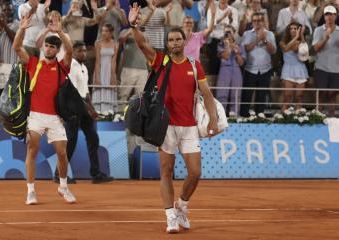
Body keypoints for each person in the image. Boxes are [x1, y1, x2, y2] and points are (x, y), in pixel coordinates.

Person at [128, 3, 218, 234]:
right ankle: (170, 216)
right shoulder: (160, 61)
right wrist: (133, 25)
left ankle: (182, 206)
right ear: (167, 44)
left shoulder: (194, 65)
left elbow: (207, 95)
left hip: (189, 127)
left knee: (195, 173)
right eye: (171, 40)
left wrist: (214, 120)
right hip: (165, 127)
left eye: (178, 40)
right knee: (166, 172)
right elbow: (141, 43)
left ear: (184, 41)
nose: (175, 43)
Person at [12, 12, 76, 205]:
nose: (48, 49)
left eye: (52, 47)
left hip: (55, 117)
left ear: (57, 50)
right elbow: (16, 47)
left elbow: (70, 51)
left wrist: (61, 32)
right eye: (46, 46)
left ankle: (63, 187)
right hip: (35, 116)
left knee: (62, 153)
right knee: (32, 149)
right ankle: (31, 191)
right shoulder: (33, 63)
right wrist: (22, 29)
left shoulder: (63, 67)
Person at [53, 41, 114, 184]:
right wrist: (86, 109)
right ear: (73, 52)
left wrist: (92, 110)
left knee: (93, 138)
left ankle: (96, 174)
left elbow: (86, 93)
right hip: (72, 107)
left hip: (84, 106)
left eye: (85, 50)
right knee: (71, 142)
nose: (84, 53)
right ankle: (58, 174)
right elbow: (72, 91)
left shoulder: (84, 67)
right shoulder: (71, 66)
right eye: (80, 50)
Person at [240, 12, 276, 117]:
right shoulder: (247, 34)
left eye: (259, 21)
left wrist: (264, 40)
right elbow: (245, 49)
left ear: (263, 22)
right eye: (254, 21)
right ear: (252, 22)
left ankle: (259, 116)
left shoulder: (270, 34)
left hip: (265, 69)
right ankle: (243, 117)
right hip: (249, 69)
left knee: (262, 95)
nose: (257, 23)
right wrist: (257, 39)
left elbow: (273, 51)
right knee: (246, 95)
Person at [312, 5, 339, 116]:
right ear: (323, 16)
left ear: (336, 16)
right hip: (321, 68)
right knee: (321, 95)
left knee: (332, 96)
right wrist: (325, 39)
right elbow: (315, 49)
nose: (329, 17)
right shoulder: (318, 30)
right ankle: (317, 119)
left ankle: (331, 121)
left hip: (336, 69)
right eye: (327, 14)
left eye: (331, 14)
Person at [0, 1, 19, 96]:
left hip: (11, 63)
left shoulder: (18, 24)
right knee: (0, 89)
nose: (7, 11)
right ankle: (0, 109)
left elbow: (16, 40)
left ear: (13, 11)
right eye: (4, 10)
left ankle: (10, 110)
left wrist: (5, 26)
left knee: (11, 90)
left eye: (9, 9)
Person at [216, 25, 246, 116]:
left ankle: (235, 115)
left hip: (236, 70)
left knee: (236, 94)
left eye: (229, 32)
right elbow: (226, 56)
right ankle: (221, 116)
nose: (227, 34)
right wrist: (228, 45)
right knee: (222, 94)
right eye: (226, 32)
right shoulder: (220, 45)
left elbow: (241, 63)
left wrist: (237, 53)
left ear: (234, 33)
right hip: (224, 70)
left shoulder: (240, 46)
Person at [280, 22, 309, 111]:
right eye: (291, 28)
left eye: (295, 28)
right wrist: (296, 37)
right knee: (287, 98)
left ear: (299, 30)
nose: (293, 30)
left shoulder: (302, 42)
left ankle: (298, 120)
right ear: (288, 31)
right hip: (288, 70)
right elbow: (286, 48)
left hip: (301, 70)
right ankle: (281, 121)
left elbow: (304, 52)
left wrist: (301, 36)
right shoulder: (282, 42)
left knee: (299, 97)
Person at [92, 23, 118, 113]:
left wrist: (113, 77)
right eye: (102, 31)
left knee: (109, 89)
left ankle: (109, 113)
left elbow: (114, 62)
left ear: (111, 32)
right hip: (100, 70)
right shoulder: (98, 43)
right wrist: (97, 78)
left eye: (106, 31)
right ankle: (98, 113)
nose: (103, 33)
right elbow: (97, 61)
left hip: (110, 71)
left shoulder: (115, 44)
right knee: (99, 90)